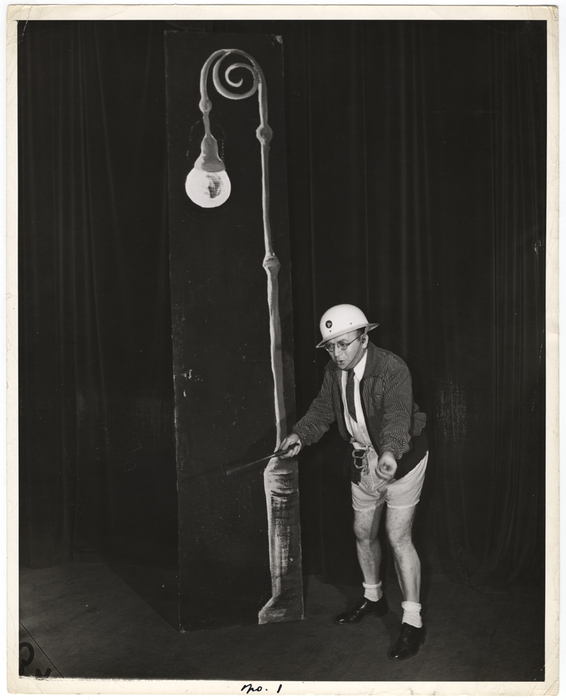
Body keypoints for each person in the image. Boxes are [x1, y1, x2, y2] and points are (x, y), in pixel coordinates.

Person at [279, 304, 429, 661]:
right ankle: (373, 598)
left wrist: (390, 452)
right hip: (363, 459)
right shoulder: (334, 371)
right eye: (330, 346)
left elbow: (398, 417)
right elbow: (322, 410)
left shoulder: (392, 368)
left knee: (397, 537)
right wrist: (300, 435)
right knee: (363, 532)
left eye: (343, 344)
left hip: (402, 458)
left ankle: (412, 621)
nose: (337, 353)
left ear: (364, 338)